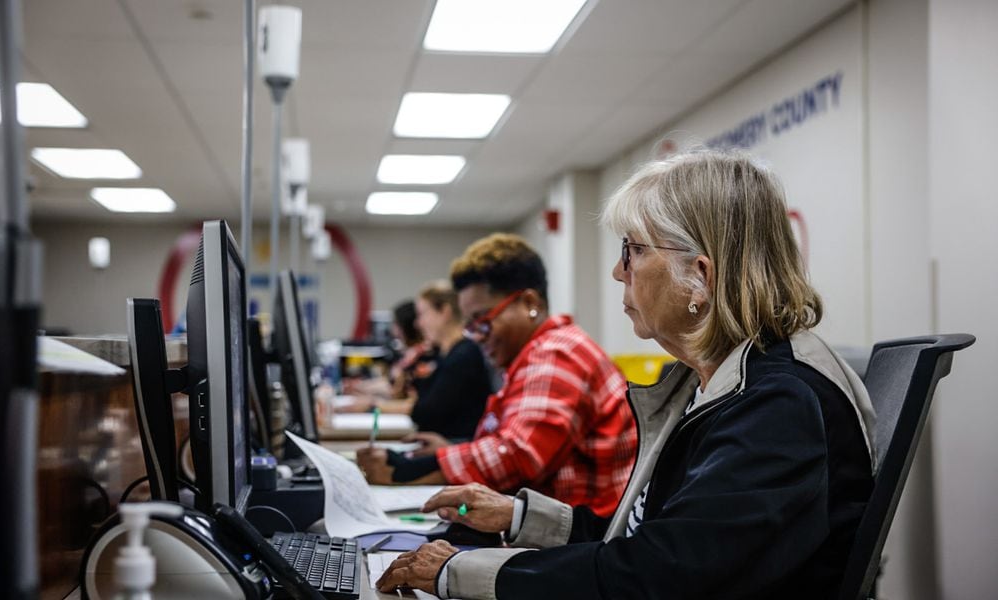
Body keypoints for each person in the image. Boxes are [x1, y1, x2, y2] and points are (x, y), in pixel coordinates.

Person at [374, 150, 877, 599]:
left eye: (633, 250)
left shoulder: (775, 403)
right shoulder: (713, 381)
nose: (620, 271)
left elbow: (654, 575)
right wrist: (520, 517)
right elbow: (656, 537)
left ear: (700, 276)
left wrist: (461, 571)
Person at [357, 234, 636, 518]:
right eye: (471, 325)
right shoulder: (535, 354)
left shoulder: (558, 352)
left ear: (530, 303)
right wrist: (456, 451)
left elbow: (518, 455)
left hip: (580, 543)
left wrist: (403, 471)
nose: (477, 336)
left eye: (484, 320)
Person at [405, 280, 494, 440]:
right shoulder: (443, 354)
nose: (418, 323)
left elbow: (425, 412)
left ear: (445, 311)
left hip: (456, 448)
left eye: (422, 314)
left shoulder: (463, 356)